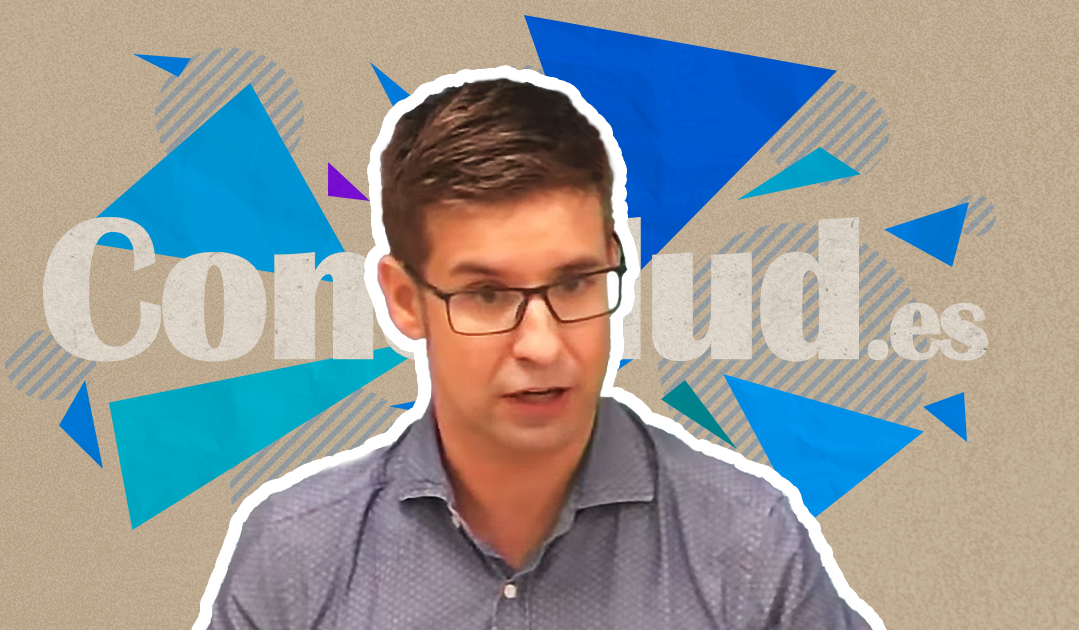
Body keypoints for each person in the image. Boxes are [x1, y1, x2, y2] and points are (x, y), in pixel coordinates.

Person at [205, 70, 876, 629]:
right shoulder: (294, 557)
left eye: (575, 282)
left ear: (614, 261)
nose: (543, 343)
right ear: (405, 300)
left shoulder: (747, 546)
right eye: (487, 295)